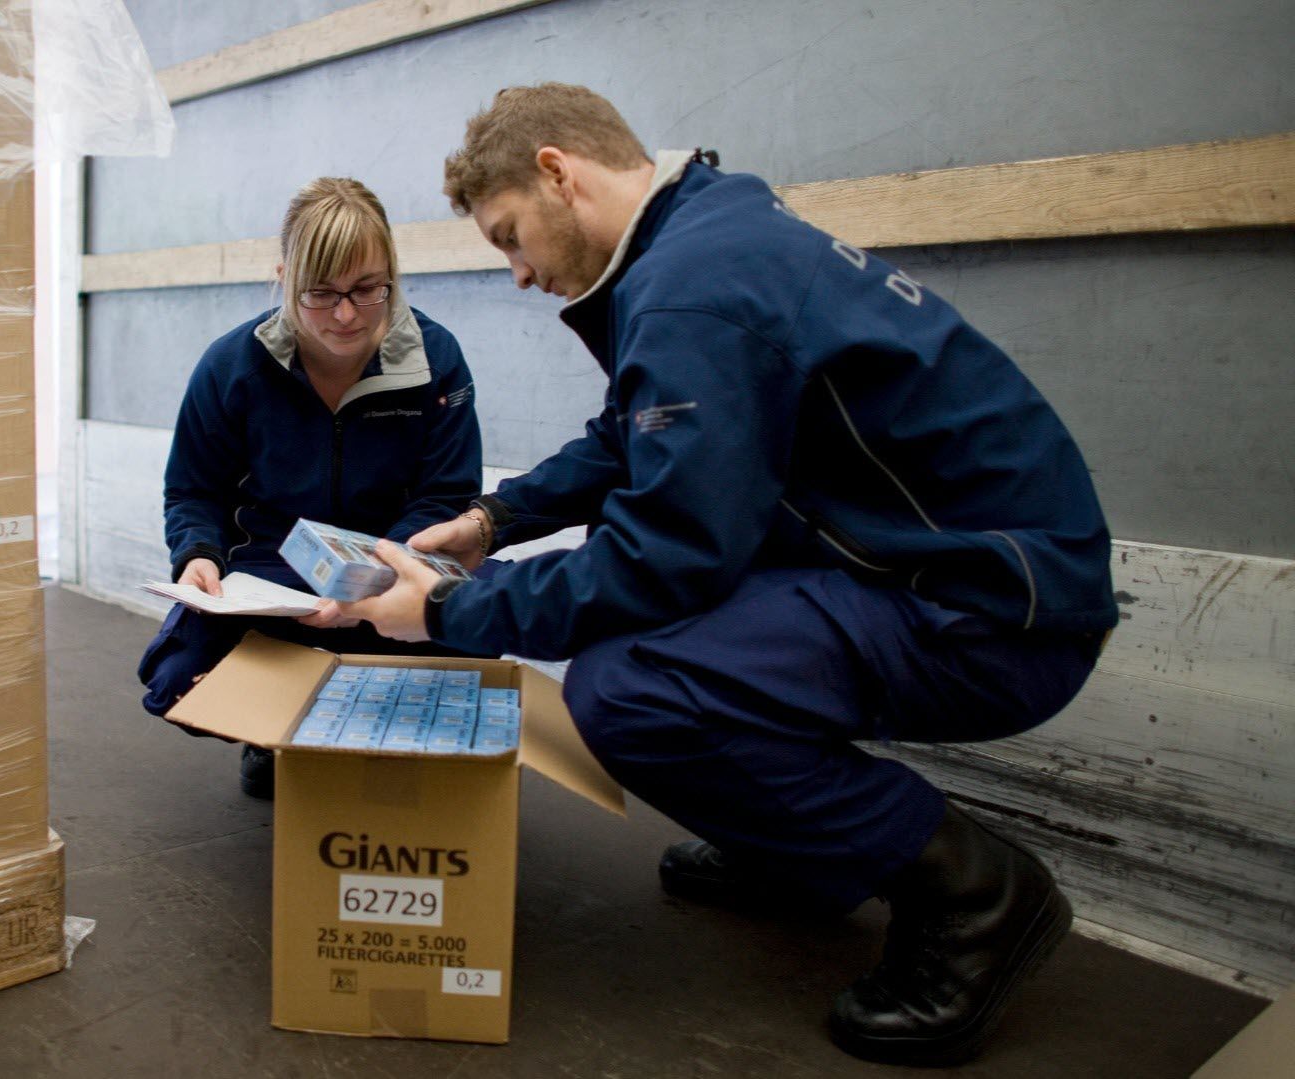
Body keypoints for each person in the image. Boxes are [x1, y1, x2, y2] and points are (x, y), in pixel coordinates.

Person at [340, 84, 1115, 1067]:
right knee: (663, 647)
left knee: (631, 689)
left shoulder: (693, 286)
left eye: (509, 237)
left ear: (557, 173)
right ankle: (797, 850)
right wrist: (498, 519)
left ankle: (978, 890)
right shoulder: (708, 229)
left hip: (991, 614)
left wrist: (453, 609)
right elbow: (635, 432)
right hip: (956, 570)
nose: (520, 273)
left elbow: (666, 553)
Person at [138, 176, 486, 799]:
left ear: (393, 276)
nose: (346, 315)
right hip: (273, 577)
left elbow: (446, 496)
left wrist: (375, 574)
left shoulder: (435, 358)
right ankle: (273, 735)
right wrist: (197, 554)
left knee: (483, 631)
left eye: (367, 289)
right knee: (178, 680)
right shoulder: (231, 366)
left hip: (395, 567)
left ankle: (362, 734)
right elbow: (193, 490)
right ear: (284, 278)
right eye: (320, 293)